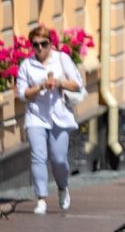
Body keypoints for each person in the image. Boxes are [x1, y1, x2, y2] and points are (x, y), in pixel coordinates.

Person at [16, 26, 84, 215]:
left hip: (59, 116)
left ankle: (63, 187)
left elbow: (78, 85)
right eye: (35, 44)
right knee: (38, 157)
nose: (39, 48)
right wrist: (40, 87)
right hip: (36, 116)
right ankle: (41, 199)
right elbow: (22, 93)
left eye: (43, 44)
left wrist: (60, 82)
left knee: (58, 159)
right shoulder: (27, 65)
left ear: (51, 44)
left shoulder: (62, 59)